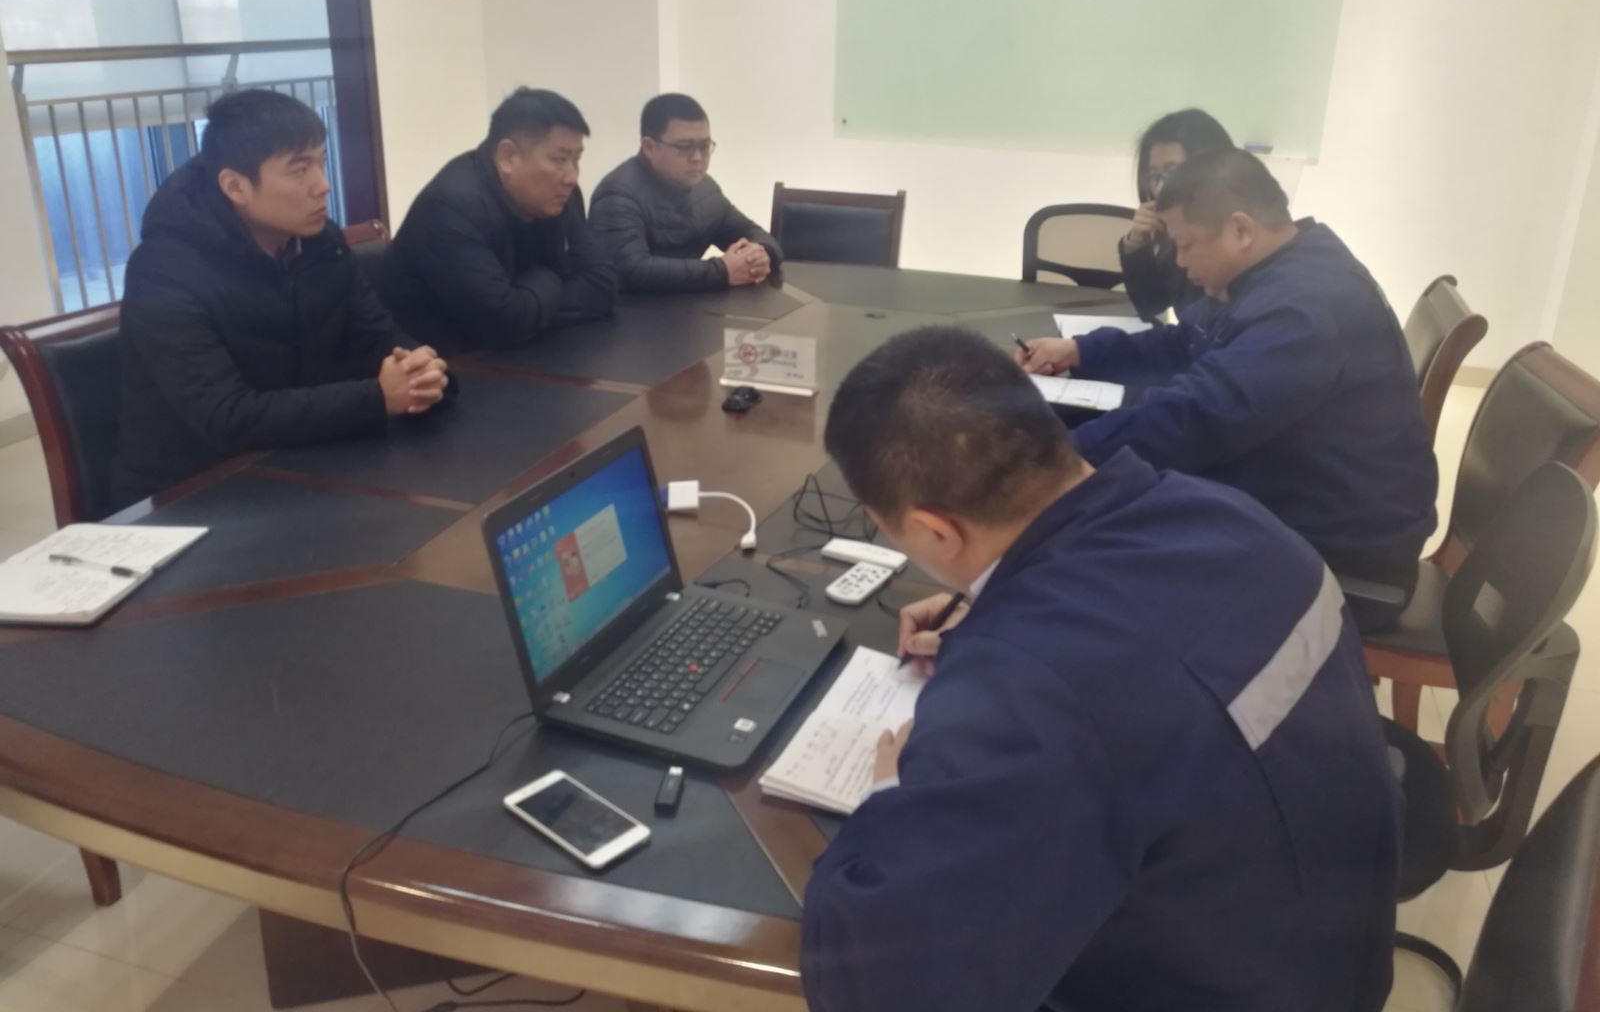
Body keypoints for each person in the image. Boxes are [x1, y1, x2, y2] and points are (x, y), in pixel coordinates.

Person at [802, 326, 1399, 1012]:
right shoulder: (1228, 514)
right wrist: (1003, 606)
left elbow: (881, 987)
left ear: (937, 530)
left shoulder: (1031, 692)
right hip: (1323, 943)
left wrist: (888, 794)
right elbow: (1149, 649)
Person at [1018, 149, 1438, 629]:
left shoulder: (1306, 308)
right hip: (1296, 494)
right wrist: (1082, 351)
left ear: (1240, 230)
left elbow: (1199, 416)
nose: (1179, 261)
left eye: (1186, 245)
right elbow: (1187, 343)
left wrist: (1049, 466)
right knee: (1103, 484)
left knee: (1088, 548)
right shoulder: (1277, 271)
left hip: (1341, 551)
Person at [113, 90, 448, 505]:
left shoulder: (321, 244)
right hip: (192, 492)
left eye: (322, 162)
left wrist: (421, 370)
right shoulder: (162, 271)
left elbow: (377, 336)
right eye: (299, 170)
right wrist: (377, 398)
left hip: (302, 463)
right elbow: (226, 416)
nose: (323, 185)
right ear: (236, 186)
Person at [384, 88, 617, 353]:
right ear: (508, 157)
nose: (572, 176)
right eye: (559, 159)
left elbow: (603, 284)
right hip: (444, 363)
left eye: (576, 159)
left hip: (522, 352)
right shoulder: (450, 207)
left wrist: (529, 306)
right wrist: (551, 278)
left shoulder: (560, 194)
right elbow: (503, 321)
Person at [589, 93, 781, 292]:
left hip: (688, 305)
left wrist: (761, 255)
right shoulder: (617, 195)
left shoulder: (704, 188)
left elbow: (754, 233)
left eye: (704, 146)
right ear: (649, 147)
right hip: (631, 309)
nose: (697, 157)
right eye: (684, 147)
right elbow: (632, 271)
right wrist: (722, 271)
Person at [1119, 108, 1233, 320]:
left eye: (1173, 173)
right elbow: (1150, 305)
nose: (1162, 189)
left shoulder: (1236, 240)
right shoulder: (1178, 235)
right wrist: (1137, 243)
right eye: (1155, 176)